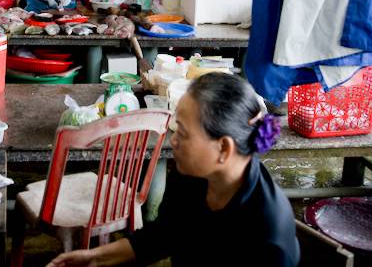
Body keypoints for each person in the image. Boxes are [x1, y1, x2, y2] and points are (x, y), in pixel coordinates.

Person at [47, 73, 300, 267]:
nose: (174, 140)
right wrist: (94, 258)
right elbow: (165, 235)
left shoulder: (268, 239)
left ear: (223, 148)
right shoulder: (191, 175)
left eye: (183, 133)